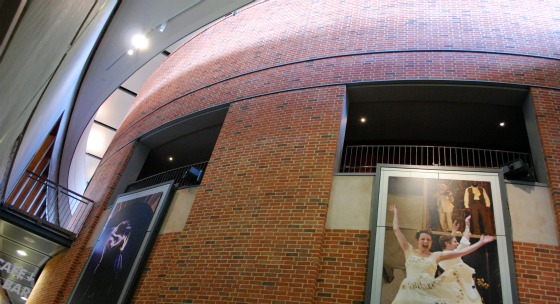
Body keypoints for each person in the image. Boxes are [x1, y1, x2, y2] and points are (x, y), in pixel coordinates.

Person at [389, 204, 495, 304]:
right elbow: (396, 230)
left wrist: (480, 243)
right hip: (408, 293)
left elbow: (461, 251)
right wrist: (396, 213)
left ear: (431, 242)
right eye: (423, 239)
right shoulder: (409, 250)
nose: (425, 242)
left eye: (428, 240)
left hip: (428, 292)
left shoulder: (436, 256)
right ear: (418, 241)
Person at [82, 220, 132, 302]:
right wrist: (121, 242)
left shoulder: (121, 239)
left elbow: (119, 251)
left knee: (102, 292)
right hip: (103, 267)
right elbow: (111, 249)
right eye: (123, 229)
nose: (124, 234)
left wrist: (123, 242)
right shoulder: (112, 237)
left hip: (110, 270)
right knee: (92, 288)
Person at [438, 215, 483, 303]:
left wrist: (453, 232)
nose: (457, 243)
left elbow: (451, 243)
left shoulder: (444, 255)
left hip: (458, 286)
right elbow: (464, 242)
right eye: (455, 242)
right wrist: (467, 226)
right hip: (458, 289)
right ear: (447, 243)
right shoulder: (449, 255)